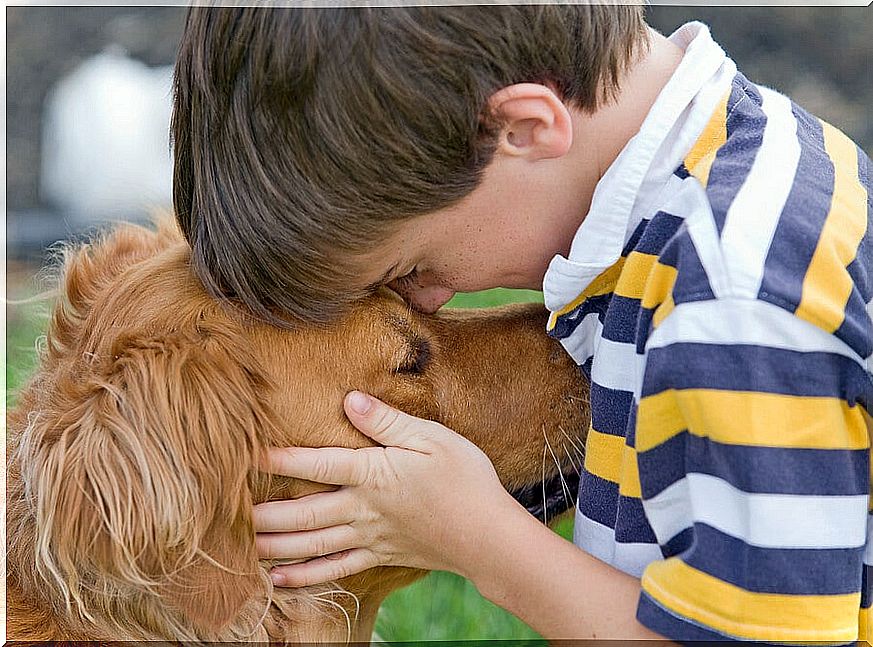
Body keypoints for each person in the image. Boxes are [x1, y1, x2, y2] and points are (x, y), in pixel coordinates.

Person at [171, 4, 872, 641]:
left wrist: (478, 537)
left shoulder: (729, 303)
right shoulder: (749, 166)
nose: (429, 299)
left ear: (526, 130)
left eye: (414, 266)